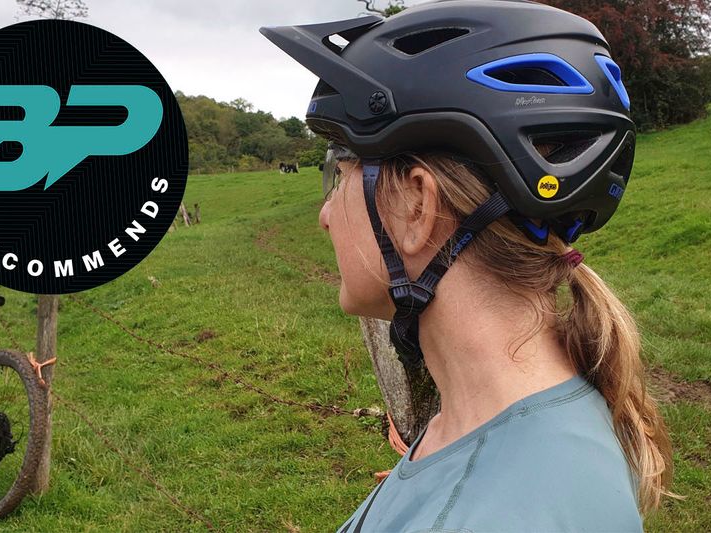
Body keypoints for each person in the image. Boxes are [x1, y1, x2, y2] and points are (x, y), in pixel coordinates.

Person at [262, 1, 673, 531]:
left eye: (339, 174)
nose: (324, 216)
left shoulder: (491, 514)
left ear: (417, 207)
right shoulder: (521, 420)